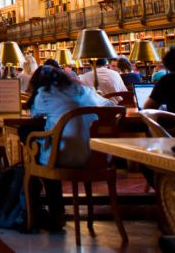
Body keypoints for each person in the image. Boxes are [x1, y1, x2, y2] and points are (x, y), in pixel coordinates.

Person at [25, 65, 113, 229]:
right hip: (98, 157)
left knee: (35, 153)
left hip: (67, 156)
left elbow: (34, 114)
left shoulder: (44, 93)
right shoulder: (85, 90)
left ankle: (54, 213)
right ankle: (57, 213)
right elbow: (110, 106)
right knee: (45, 146)